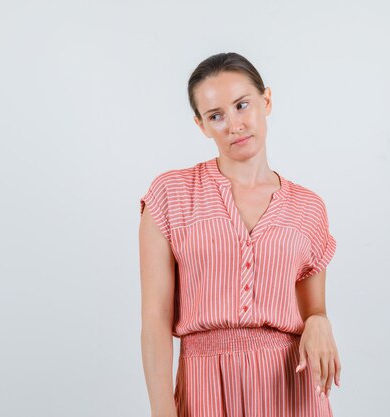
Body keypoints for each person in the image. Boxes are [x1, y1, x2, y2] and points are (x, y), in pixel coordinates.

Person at [139, 52, 341, 417]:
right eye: (216, 115)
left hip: (290, 387)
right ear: (202, 125)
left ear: (266, 102)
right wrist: (161, 410)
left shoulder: (309, 207)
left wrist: (320, 322)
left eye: (242, 105)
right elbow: (155, 318)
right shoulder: (170, 194)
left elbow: (314, 309)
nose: (234, 125)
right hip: (205, 386)